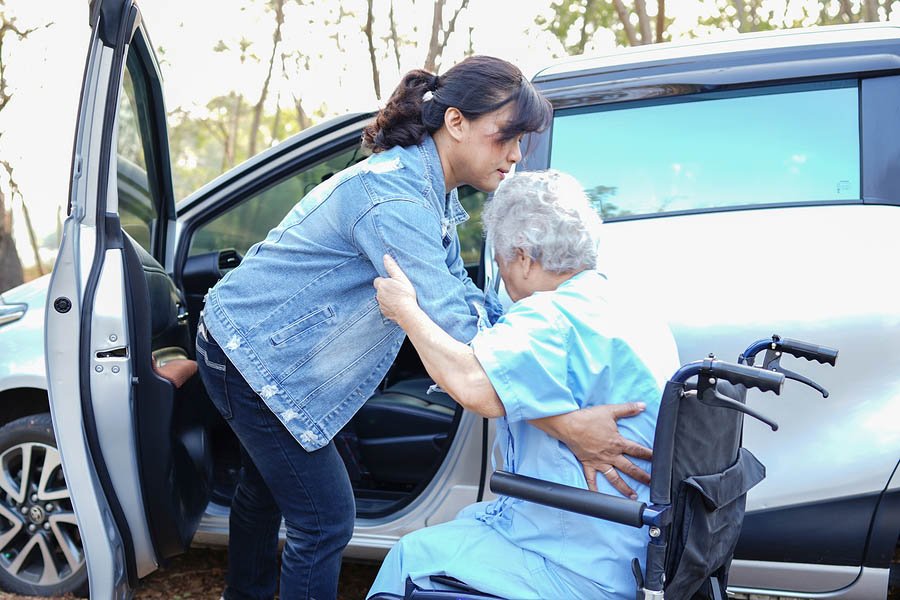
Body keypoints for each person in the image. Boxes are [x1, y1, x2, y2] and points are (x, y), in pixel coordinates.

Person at [196, 57, 652, 600]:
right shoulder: (394, 201)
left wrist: (528, 330)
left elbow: (463, 299)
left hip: (281, 351)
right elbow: (458, 329)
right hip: (251, 355)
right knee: (324, 518)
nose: (515, 155)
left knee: (265, 489)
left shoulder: (432, 192)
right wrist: (568, 422)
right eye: (506, 136)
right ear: (455, 122)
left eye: (523, 141)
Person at [368, 170, 680, 599]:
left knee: (409, 556)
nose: (502, 274)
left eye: (499, 259)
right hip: (635, 548)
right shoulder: (628, 307)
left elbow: (474, 386)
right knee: (465, 524)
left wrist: (406, 311)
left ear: (523, 257)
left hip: (577, 560)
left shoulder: (547, 318)